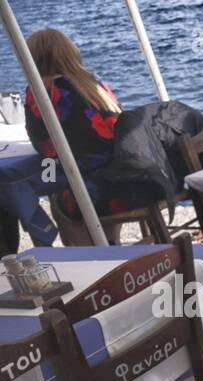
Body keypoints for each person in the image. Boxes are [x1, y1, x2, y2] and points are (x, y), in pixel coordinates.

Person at [22, 28, 156, 244]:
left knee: (58, 196)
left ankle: (90, 255)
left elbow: (44, 146)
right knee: (89, 170)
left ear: (33, 60)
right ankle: (110, 243)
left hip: (106, 186)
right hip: (135, 175)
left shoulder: (42, 91)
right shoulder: (93, 82)